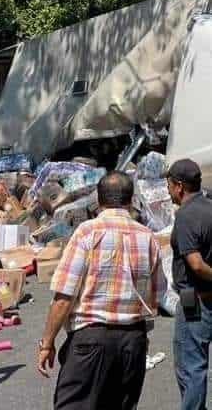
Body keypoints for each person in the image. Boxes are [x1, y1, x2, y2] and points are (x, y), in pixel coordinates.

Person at [37, 171, 163, 410]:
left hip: (90, 340)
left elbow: (64, 296)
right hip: (132, 341)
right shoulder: (148, 237)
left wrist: (47, 343)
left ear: (99, 199)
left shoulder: (88, 232)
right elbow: (155, 295)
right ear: (130, 199)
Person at [165, 159, 212, 410]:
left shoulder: (186, 215)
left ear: (179, 186)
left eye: (169, 184)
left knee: (190, 366)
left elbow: (196, 264)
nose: (168, 190)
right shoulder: (210, 208)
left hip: (194, 300)